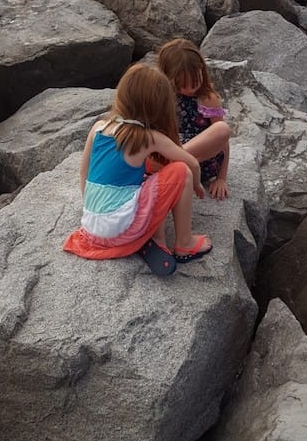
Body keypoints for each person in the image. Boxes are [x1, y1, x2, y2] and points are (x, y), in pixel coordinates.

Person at [63, 64, 212, 277]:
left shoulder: (98, 128)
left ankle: (146, 235)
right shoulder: (148, 137)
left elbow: (83, 175)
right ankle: (185, 243)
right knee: (180, 171)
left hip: (92, 228)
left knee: (146, 177)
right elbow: (192, 164)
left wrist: (95, 209)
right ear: (159, 105)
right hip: (120, 227)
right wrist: (196, 184)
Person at [157, 38, 230, 201]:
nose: (190, 89)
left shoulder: (207, 98)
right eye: (182, 85)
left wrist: (221, 178)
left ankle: (166, 162)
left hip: (202, 160)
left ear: (202, 70)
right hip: (176, 156)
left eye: (195, 82)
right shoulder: (165, 97)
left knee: (222, 129)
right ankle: (169, 162)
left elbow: (223, 141)